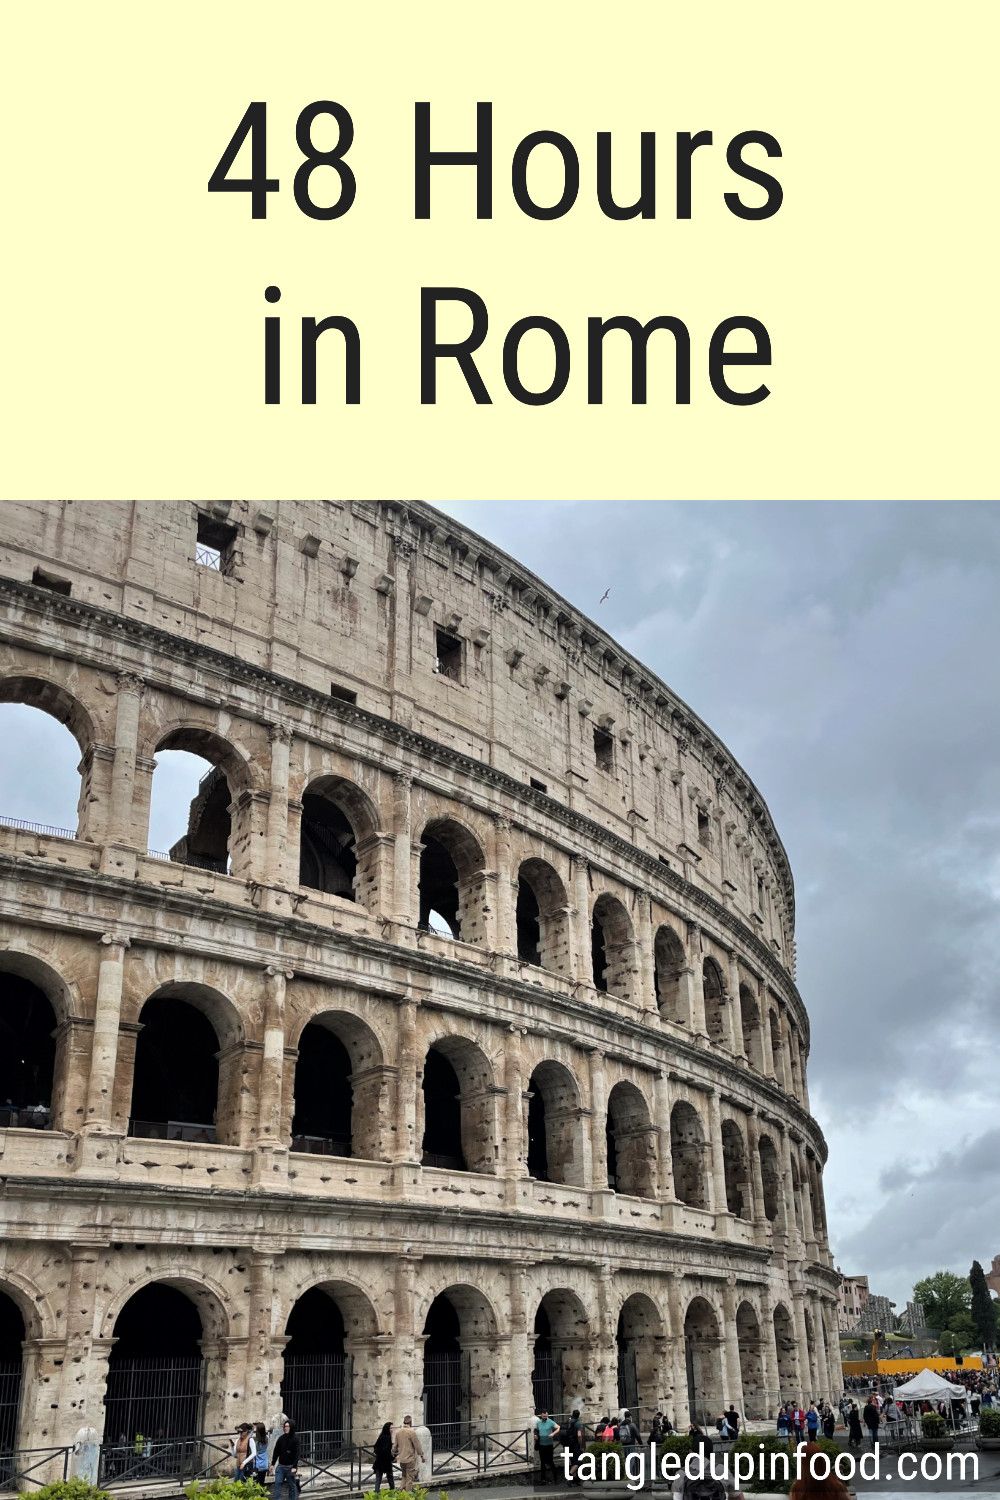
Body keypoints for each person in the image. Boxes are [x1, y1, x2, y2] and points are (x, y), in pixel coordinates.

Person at [673, 1430, 742, 1500]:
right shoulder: (722, 1470)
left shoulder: (681, 1474)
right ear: (711, 1453)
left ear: (690, 1452)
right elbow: (739, 1497)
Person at [392, 1415, 423, 1491]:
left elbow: (395, 1446)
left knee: (404, 1477)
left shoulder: (398, 1432)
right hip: (410, 1459)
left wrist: (393, 1453)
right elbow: (417, 1445)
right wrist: (422, 1456)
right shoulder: (412, 1432)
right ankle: (408, 1497)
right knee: (409, 1480)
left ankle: (400, 1493)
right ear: (410, 1422)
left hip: (402, 1459)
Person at [272, 1420, 299, 1500]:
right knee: (277, 1484)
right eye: (285, 1426)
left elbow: (297, 1454)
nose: (286, 1428)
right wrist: (272, 1464)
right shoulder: (281, 1438)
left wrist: (294, 1466)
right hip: (281, 1466)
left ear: (291, 1427)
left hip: (290, 1467)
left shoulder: (295, 1439)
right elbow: (276, 1451)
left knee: (292, 1486)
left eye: (287, 1426)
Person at [535, 1409, 559, 1483]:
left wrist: (553, 1434)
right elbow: (536, 1430)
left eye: (546, 1416)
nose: (545, 1417)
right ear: (541, 1415)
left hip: (549, 1445)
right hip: (541, 1445)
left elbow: (558, 1427)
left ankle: (555, 1479)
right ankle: (543, 1479)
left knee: (550, 1461)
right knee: (542, 1462)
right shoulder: (538, 1422)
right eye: (544, 1416)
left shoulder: (550, 1422)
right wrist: (535, 1435)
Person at [372, 1422, 394, 1493]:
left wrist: (379, 1454)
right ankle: (393, 1492)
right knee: (390, 1478)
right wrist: (392, 1458)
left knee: (378, 1479)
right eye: (391, 1428)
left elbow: (375, 1447)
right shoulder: (387, 1437)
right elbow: (386, 1450)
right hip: (385, 1461)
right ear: (387, 1429)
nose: (392, 1430)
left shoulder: (381, 1436)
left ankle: (376, 1494)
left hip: (379, 1461)